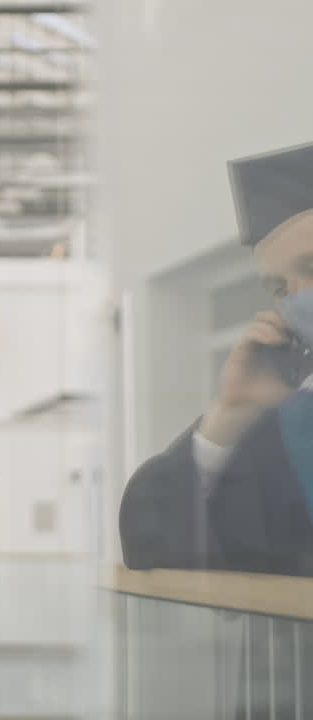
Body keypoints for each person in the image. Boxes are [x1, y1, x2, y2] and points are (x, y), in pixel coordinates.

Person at [120, 141, 313, 574]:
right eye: (280, 287)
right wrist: (225, 420)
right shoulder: (286, 423)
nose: (300, 296)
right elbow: (150, 548)